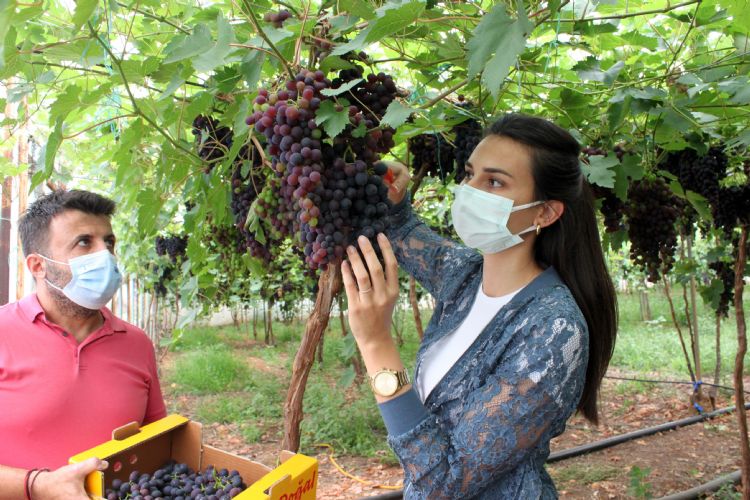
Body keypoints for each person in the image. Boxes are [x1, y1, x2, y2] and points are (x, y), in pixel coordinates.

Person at [341, 113, 618, 498]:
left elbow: (444, 484)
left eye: (494, 181)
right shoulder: (466, 277)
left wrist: (376, 346)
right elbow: (403, 230)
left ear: (545, 212)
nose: (469, 190)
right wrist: (395, 193)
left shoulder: (554, 331)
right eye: (470, 174)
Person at [0, 190, 167, 499]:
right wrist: (38, 486)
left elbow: (160, 444)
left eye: (109, 242)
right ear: (38, 266)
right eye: (84, 242)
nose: (105, 255)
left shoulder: (137, 344)